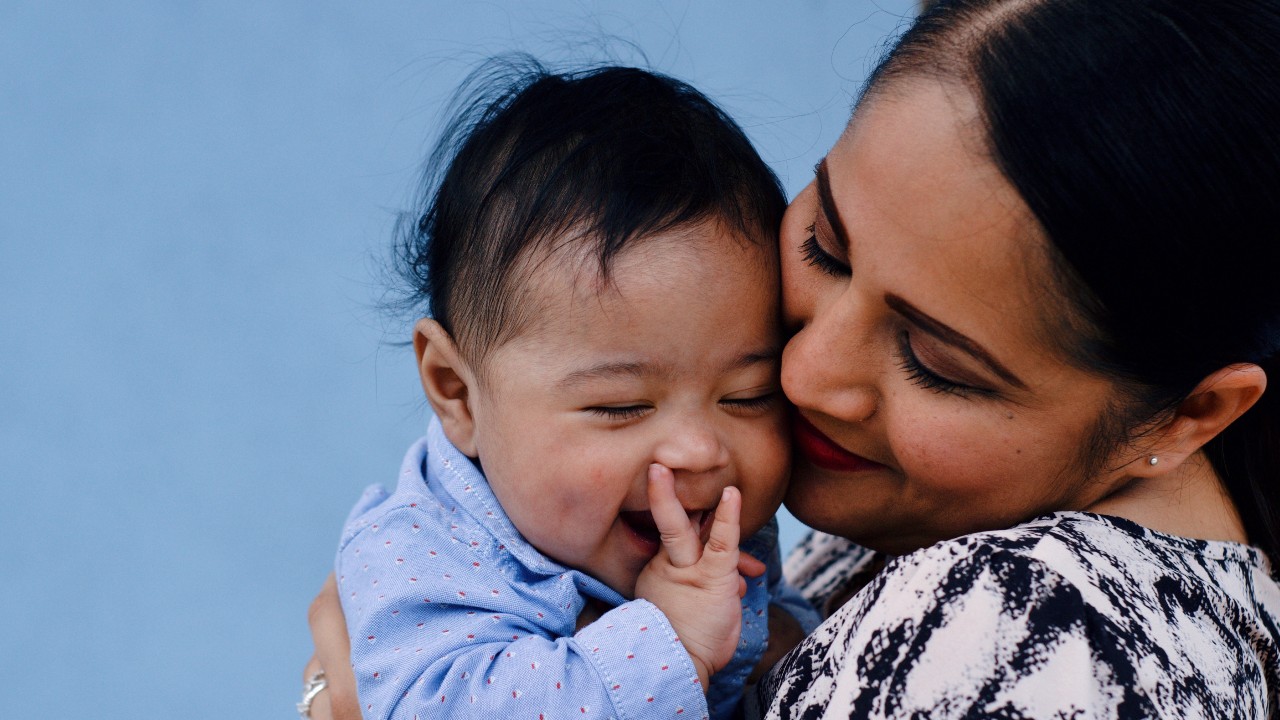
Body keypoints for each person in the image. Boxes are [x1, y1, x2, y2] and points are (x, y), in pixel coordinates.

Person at [308, 0, 1280, 717]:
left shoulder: (1037, 635)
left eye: (933, 360)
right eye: (823, 244)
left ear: (1183, 415)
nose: (800, 375)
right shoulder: (896, 511)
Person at [317, 61, 820, 720]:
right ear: (457, 393)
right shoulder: (419, 556)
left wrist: (778, 641)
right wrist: (670, 645)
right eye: (622, 406)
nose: (701, 449)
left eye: (749, 395)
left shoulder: (706, 525)